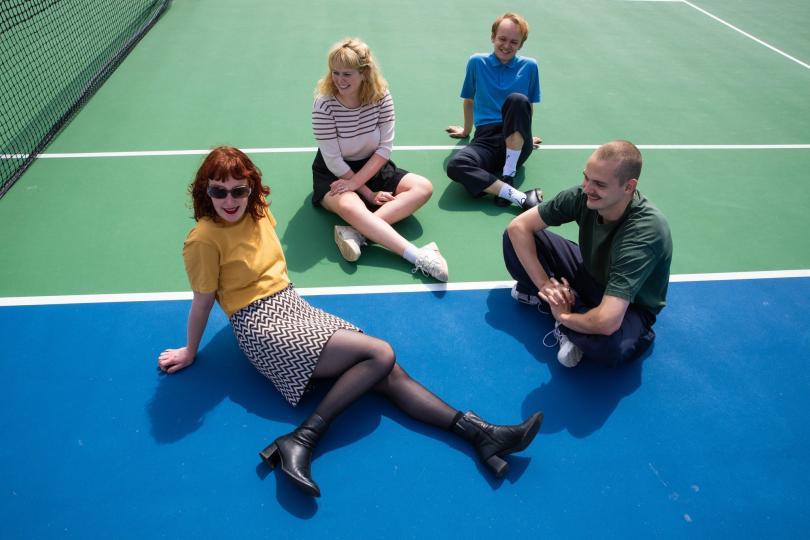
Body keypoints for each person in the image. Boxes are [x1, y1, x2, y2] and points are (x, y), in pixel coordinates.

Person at [158, 146, 543, 497]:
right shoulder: (203, 240)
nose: (229, 200)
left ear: (251, 189)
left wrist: (370, 196)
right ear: (206, 192)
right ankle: (300, 440)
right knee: (379, 354)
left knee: (387, 372)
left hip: (293, 306)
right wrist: (190, 351)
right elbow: (203, 302)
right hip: (259, 325)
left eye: (238, 190)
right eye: (219, 191)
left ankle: (481, 434)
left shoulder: (258, 211)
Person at [503, 140, 672, 368]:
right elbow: (518, 227)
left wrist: (562, 316)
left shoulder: (644, 232)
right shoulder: (582, 197)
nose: (587, 188)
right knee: (513, 238)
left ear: (628, 187)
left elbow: (607, 322)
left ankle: (569, 316)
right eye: (586, 177)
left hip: (632, 305)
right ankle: (572, 312)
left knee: (610, 347)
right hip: (590, 272)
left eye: (599, 184)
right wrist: (545, 285)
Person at [312, 38, 448, 281]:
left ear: (364, 73)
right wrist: (366, 193)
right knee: (349, 206)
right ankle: (418, 256)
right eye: (335, 72)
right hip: (335, 172)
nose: (339, 80)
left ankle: (355, 232)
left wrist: (360, 184)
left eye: (347, 74)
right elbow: (333, 160)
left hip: (374, 166)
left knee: (423, 188)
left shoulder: (381, 96)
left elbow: (385, 148)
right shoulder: (324, 105)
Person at [446, 12, 544, 210]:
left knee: (517, 99)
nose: (507, 45)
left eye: (514, 42)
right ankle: (519, 197)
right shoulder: (476, 62)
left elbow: (527, 106)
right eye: (502, 39)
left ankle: (508, 174)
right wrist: (466, 131)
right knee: (456, 165)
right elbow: (469, 100)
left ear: (521, 45)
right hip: (485, 140)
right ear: (493, 37)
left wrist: (525, 133)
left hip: (517, 140)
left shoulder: (530, 66)